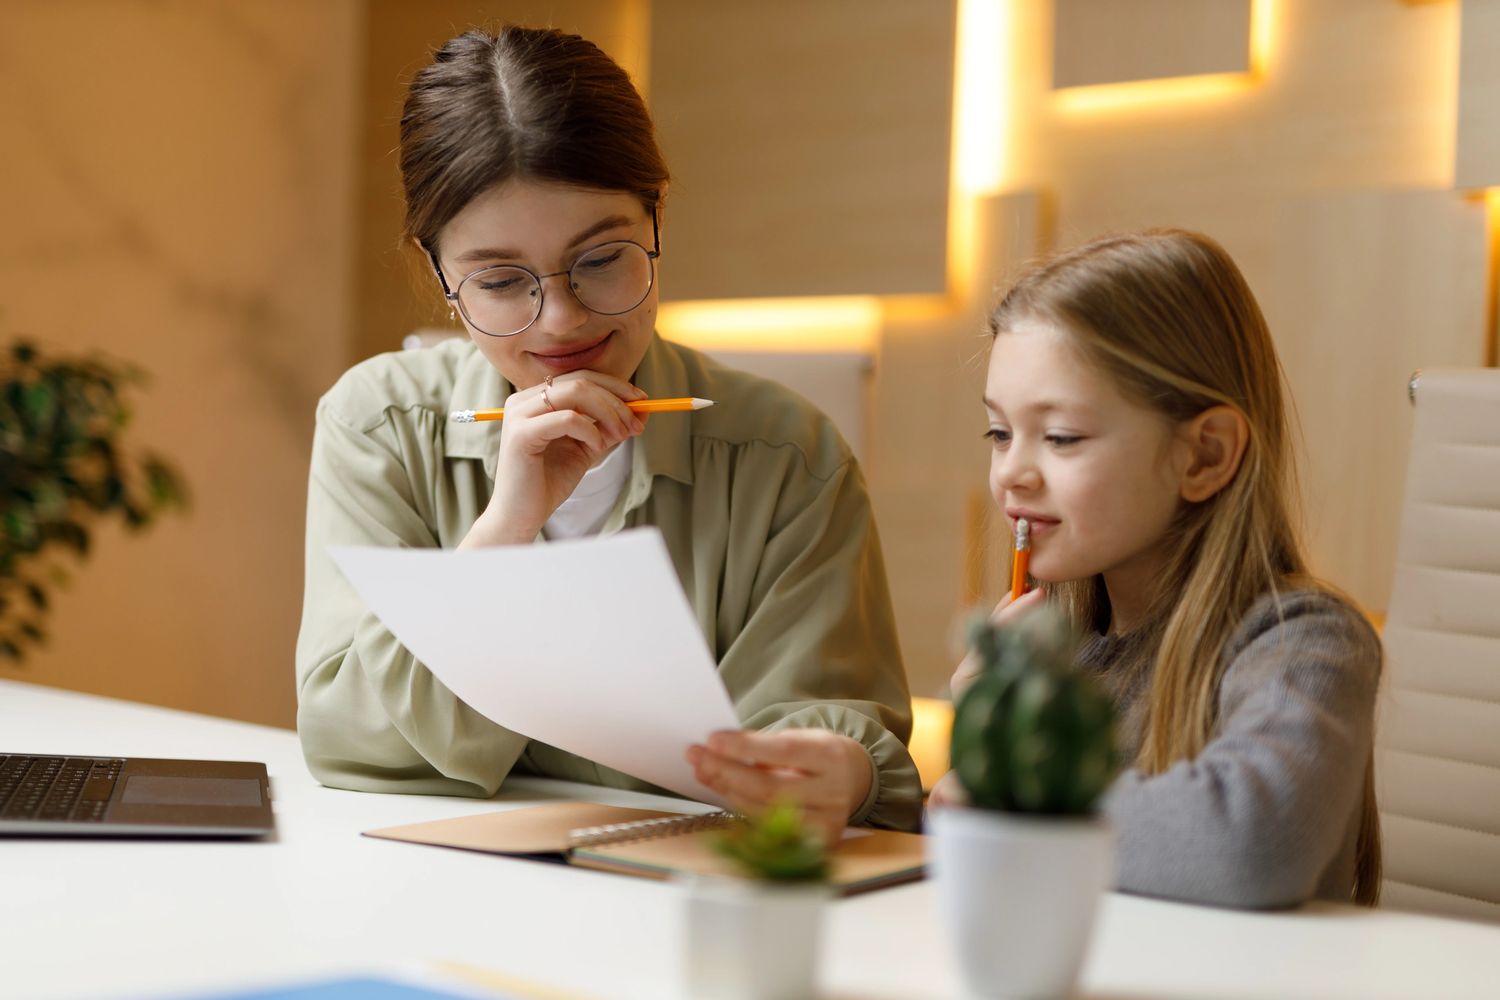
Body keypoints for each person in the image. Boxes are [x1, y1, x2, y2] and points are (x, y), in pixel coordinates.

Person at [295, 26, 920, 836]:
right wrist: (506, 528)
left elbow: (820, 732)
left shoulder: (786, 451)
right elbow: (349, 741)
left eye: (601, 260)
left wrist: (841, 768)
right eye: (498, 280)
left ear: (655, 217)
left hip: (693, 884)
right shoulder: (379, 424)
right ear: (440, 273)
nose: (560, 319)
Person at [930, 229, 1382, 908]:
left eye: (1061, 437)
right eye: (1000, 433)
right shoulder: (1054, 647)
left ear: (1203, 455)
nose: (1012, 475)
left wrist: (1008, 786)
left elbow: (1252, 845)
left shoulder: (1304, 642)